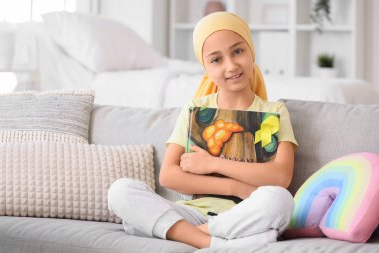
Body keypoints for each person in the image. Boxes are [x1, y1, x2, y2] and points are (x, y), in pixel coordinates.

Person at [107, 12, 298, 249]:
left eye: (238, 51)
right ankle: (214, 242)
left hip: (245, 215)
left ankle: (183, 233)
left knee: (281, 200)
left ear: (251, 50)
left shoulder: (276, 111)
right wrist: (235, 187)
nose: (231, 65)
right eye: (216, 60)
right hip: (192, 213)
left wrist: (213, 164)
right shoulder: (195, 109)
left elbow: (280, 177)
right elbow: (168, 176)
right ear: (205, 66)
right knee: (121, 191)